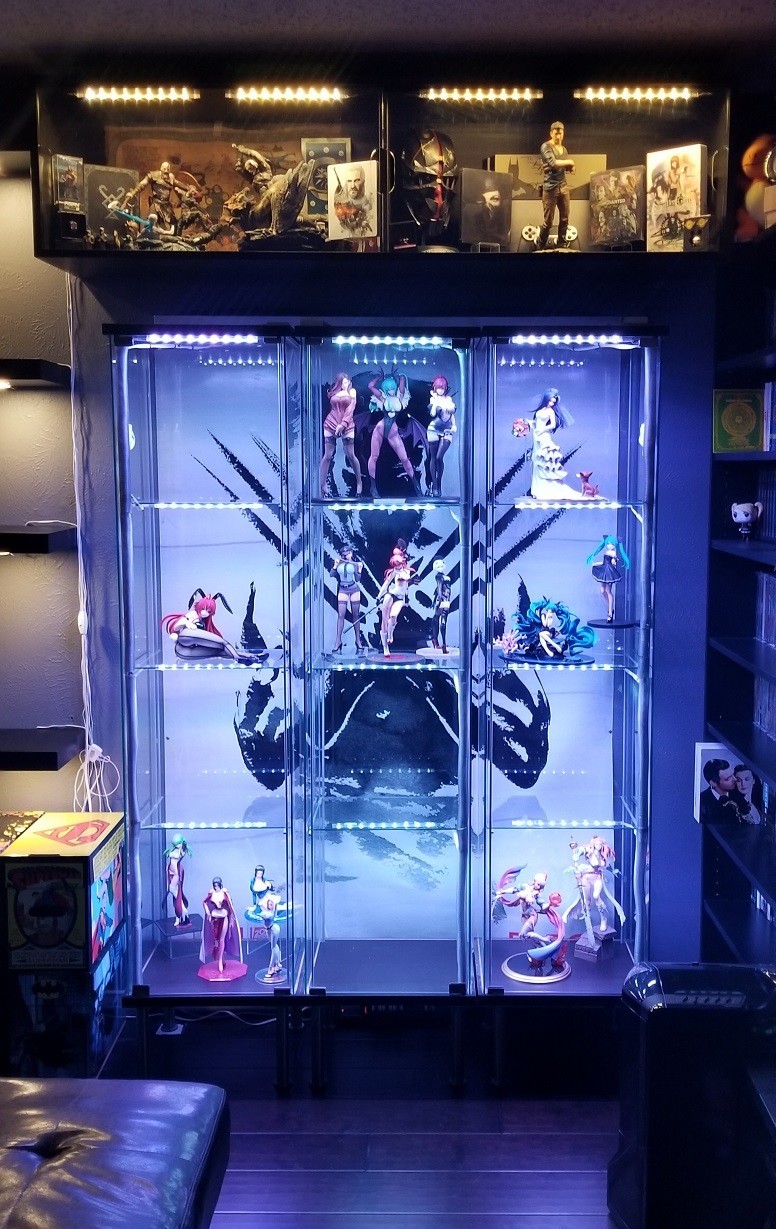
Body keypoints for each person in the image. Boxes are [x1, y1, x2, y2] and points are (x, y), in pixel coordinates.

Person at [367, 369, 422, 496]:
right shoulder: (383, 398)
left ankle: (416, 486)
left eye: (392, 388)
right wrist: (378, 377)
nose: (391, 390)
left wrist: (400, 376)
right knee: (374, 456)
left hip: (393, 432)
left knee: (405, 459)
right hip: (379, 430)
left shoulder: (400, 398)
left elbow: (402, 383)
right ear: (385, 389)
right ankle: (373, 487)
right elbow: (370, 386)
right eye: (388, 389)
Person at [320, 373, 362, 497]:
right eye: (343, 382)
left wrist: (343, 424)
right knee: (327, 456)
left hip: (347, 425)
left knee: (351, 455)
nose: (345, 384)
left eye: (347, 382)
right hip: (331, 423)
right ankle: (322, 484)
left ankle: (359, 482)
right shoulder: (334, 392)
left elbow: (351, 409)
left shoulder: (352, 392)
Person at [537, 121, 575, 249]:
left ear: (563, 133)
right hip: (550, 187)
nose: (558, 136)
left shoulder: (563, 149)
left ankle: (562, 244)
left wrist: (570, 166)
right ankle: (540, 244)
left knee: (565, 219)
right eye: (556, 133)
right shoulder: (546, 146)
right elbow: (553, 163)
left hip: (563, 186)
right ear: (551, 133)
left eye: (560, 133)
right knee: (548, 222)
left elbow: (563, 167)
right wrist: (570, 162)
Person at [200, 877, 242, 974]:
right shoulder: (211, 893)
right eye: (215, 886)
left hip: (224, 917)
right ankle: (222, 959)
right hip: (215, 918)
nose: (216, 887)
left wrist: (231, 918)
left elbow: (230, 906)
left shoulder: (224, 893)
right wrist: (208, 913)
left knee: (222, 939)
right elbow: (204, 902)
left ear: (220, 885)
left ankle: (219, 961)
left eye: (217, 885)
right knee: (217, 940)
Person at [425, 375, 457, 497]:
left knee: (439, 457)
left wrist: (454, 425)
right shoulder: (433, 400)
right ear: (435, 388)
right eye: (438, 388)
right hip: (434, 428)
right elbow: (433, 414)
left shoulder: (448, 399)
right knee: (433, 457)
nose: (440, 390)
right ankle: (435, 485)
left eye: (442, 388)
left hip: (447, 429)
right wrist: (435, 403)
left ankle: (438, 482)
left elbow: (451, 414)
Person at [586, 536, 630, 622]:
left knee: (608, 591)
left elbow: (613, 563)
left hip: (609, 573)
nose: (610, 545)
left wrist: (614, 560)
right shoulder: (607, 551)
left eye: (612, 544)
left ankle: (610, 613)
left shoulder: (613, 553)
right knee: (602, 590)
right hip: (604, 571)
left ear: (615, 545)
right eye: (608, 544)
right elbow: (604, 563)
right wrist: (596, 564)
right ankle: (610, 607)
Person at [330, 546, 365, 653]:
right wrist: (335, 566)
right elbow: (331, 574)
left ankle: (358, 640)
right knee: (341, 615)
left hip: (354, 589)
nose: (346, 556)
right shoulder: (339, 563)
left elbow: (357, 579)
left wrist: (359, 570)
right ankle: (338, 641)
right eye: (344, 554)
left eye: (348, 553)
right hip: (342, 589)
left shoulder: (354, 564)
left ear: (351, 553)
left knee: (356, 615)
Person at [463, 174, 510, 247]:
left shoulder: (505, 221)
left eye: (494, 199)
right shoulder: (471, 217)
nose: (487, 205)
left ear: (502, 201)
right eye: (482, 200)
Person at [698, 758, 747, 823]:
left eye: (732, 774)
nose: (735, 779)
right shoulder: (701, 802)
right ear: (713, 783)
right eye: (728, 778)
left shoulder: (740, 792)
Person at [164, 833, 191, 927]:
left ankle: (183, 909)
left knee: (173, 891)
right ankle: (179, 916)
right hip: (171, 872)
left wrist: (176, 874)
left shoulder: (180, 851)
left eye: (179, 843)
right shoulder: (176, 850)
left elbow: (175, 865)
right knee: (175, 896)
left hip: (176, 873)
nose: (177, 845)